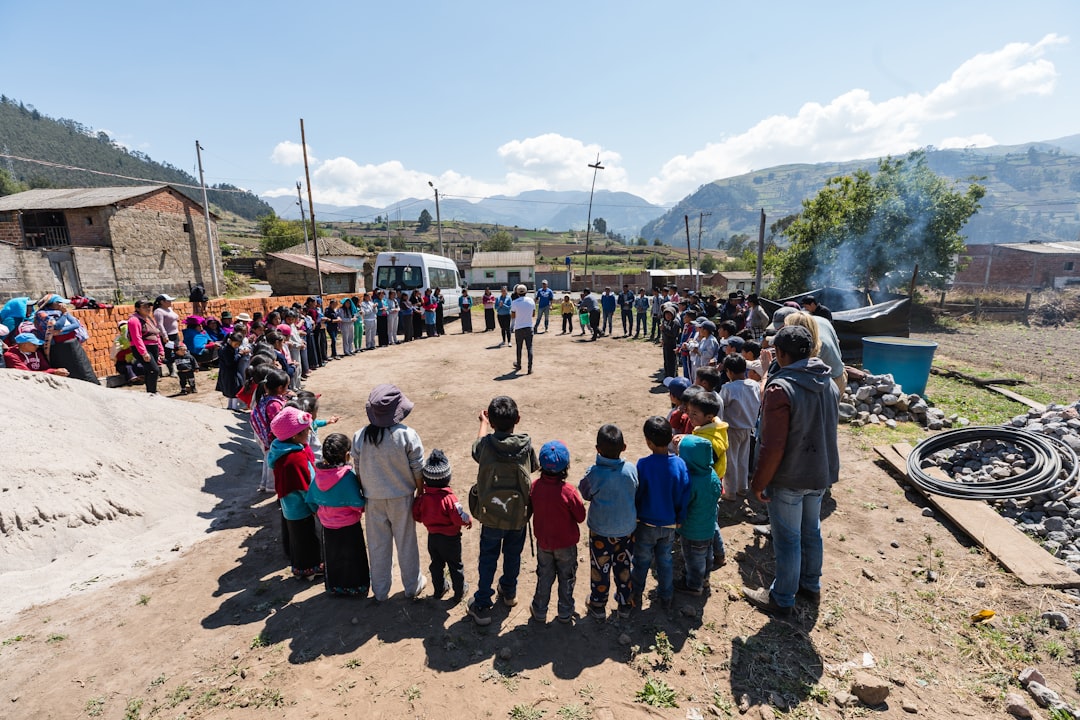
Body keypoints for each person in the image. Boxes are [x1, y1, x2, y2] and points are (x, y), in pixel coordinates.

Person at [742, 325, 840, 617]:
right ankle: (811, 585)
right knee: (812, 530)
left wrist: (759, 483)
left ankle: (782, 598)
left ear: (780, 354)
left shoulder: (780, 389)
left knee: (788, 539)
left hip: (790, 476)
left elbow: (772, 446)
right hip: (819, 472)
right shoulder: (829, 382)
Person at [467, 395, 539, 626]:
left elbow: (476, 447)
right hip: (517, 516)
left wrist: (483, 423)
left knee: (488, 557)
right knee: (512, 555)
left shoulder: (486, 446)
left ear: (492, 422)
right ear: (518, 419)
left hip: (490, 514)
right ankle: (509, 593)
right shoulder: (526, 446)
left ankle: (482, 604)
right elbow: (535, 467)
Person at [352, 384, 427, 602]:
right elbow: (418, 470)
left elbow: (358, 469)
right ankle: (412, 585)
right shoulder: (407, 435)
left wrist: (363, 492)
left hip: (371, 498)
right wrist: (420, 494)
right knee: (406, 543)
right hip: (401, 498)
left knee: (377, 545)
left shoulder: (360, 436)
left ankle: (381, 590)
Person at [630, 416, 691, 611]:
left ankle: (635, 595)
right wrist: (680, 518)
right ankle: (666, 596)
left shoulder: (643, 465)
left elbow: (638, 494)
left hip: (646, 524)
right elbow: (684, 494)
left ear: (648, 442)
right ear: (671, 436)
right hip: (669, 525)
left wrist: (635, 516)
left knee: (641, 561)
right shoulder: (680, 465)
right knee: (665, 561)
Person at [579, 424, 638, 620]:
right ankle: (624, 604)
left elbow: (585, 493)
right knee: (624, 567)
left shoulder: (594, 474)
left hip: (601, 532)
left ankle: (597, 604)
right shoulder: (631, 470)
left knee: (600, 568)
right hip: (626, 530)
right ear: (624, 447)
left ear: (597, 449)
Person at [528, 440, 585, 624]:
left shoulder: (535, 487)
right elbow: (581, 516)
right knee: (566, 578)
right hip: (566, 545)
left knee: (544, 575)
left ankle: (539, 610)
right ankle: (565, 612)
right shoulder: (568, 492)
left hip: (544, 542)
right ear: (566, 467)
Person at [307, 432, 369, 596]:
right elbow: (359, 503)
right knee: (353, 557)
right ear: (347, 455)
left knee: (333, 558)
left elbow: (312, 499)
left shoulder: (318, 475)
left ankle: (336, 588)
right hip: (349, 526)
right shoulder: (348, 477)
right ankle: (357, 588)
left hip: (327, 526)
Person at [268, 406, 323, 580]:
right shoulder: (296, 459)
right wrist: (316, 508)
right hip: (301, 508)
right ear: (295, 436)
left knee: (297, 539)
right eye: (306, 430)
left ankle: (300, 568)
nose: (308, 433)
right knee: (307, 540)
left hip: (288, 506)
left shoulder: (278, 450)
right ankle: (310, 570)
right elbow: (305, 488)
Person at [413, 449, 472, 603]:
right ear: (447, 477)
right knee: (455, 565)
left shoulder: (423, 498)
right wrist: (468, 520)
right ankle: (459, 592)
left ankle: (439, 590)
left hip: (433, 538)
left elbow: (416, 515)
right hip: (451, 539)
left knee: (436, 565)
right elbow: (459, 517)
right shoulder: (449, 498)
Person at [675, 435, 723, 596]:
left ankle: (694, 585)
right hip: (708, 528)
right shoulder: (713, 476)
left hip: (692, 531)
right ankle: (705, 578)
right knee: (706, 556)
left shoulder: (690, 482)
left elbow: (684, 504)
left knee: (693, 559)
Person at [720, 354, 761, 499]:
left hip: (732, 428)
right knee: (743, 459)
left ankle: (730, 491)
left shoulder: (728, 388)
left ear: (729, 371)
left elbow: (721, 405)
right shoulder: (754, 385)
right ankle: (742, 487)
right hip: (748, 428)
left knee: (731, 460)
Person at [34, 295, 98, 384]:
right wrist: (63, 315)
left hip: (73, 344)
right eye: (60, 303)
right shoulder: (42, 314)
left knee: (82, 367)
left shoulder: (62, 312)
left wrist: (61, 331)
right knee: (68, 370)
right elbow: (57, 325)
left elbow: (76, 324)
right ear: (54, 304)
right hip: (58, 347)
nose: (63, 305)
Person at [252, 368, 290, 493]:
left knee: (267, 460)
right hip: (272, 438)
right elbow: (278, 422)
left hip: (264, 436)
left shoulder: (265, 397)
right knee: (273, 463)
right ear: (280, 388)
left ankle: (264, 483)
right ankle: (271, 486)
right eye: (287, 386)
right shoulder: (275, 404)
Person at [127, 300, 165, 395]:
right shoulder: (134, 320)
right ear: (137, 309)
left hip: (153, 347)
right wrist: (143, 352)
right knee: (154, 370)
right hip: (143, 348)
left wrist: (161, 350)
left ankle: (150, 391)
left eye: (149, 306)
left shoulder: (149, 319)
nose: (148, 309)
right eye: (145, 307)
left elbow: (157, 335)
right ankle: (152, 391)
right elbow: (136, 337)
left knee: (150, 370)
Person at [3, 332, 69, 376]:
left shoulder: (37, 352)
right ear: (24, 345)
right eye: (34, 344)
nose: (37, 346)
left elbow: (46, 368)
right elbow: (26, 374)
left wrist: (56, 371)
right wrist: (53, 372)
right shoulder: (10, 356)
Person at [216, 331, 250, 410]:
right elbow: (230, 362)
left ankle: (230, 406)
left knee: (231, 390)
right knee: (234, 389)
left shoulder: (227, 347)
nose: (237, 346)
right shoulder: (226, 350)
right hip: (229, 373)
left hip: (229, 372)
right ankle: (234, 408)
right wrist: (239, 354)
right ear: (230, 341)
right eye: (236, 344)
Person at [510, 284, 535, 374]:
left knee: (519, 347)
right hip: (529, 327)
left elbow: (513, 316)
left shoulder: (515, 302)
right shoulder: (531, 301)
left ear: (517, 292)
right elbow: (533, 314)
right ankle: (529, 368)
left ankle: (519, 364)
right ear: (526, 292)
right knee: (529, 348)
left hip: (519, 327)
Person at [153, 294, 180, 376]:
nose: (170, 302)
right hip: (168, 336)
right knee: (168, 352)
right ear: (162, 302)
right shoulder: (159, 311)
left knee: (177, 350)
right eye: (168, 301)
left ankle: (180, 367)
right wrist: (164, 336)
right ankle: (171, 370)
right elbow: (160, 325)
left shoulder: (169, 309)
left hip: (175, 334)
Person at [660, 304, 680, 378]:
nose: (667, 316)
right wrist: (662, 339)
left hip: (672, 345)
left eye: (669, 314)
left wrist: (664, 329)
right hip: (666, 344)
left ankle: (672, 377)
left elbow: (674, 334)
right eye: (666, 314)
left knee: (672, 362)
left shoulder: (675, 323)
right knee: (666, 361)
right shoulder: (665, 322)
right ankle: (667, 376)